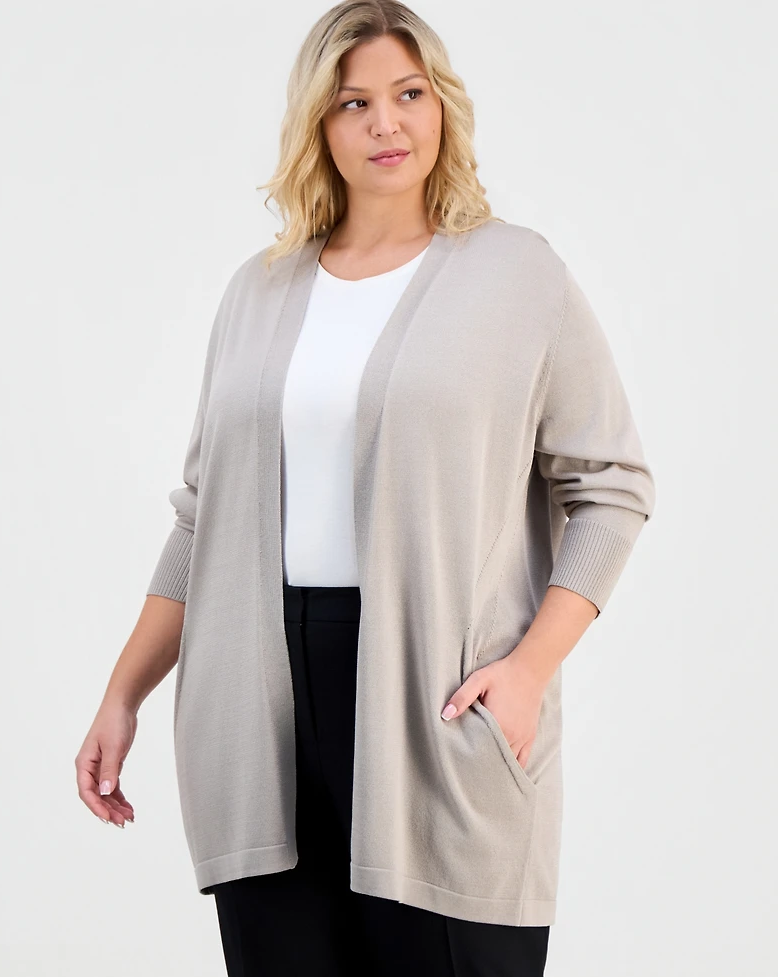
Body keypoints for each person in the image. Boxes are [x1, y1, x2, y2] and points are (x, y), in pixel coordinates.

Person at [75, 2, 656, 975]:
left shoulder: (518, 276)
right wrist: (121, 694)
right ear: (319, 122)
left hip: (436, 701)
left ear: (442, 106)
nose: (386, 123)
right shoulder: (257, 290)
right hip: (256, 704)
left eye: (408, 94)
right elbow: (202, 517)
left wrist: (527, 670)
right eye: (353, 102)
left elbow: (611, 485)